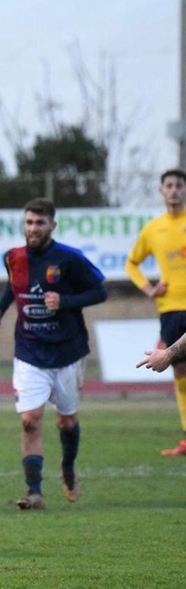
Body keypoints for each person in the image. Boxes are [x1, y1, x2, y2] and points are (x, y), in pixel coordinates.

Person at [0, 198, 107, 510]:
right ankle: (35, 492)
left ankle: (68, 466)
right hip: (29, 349)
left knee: (66, 421)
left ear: (52, 225)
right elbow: (13, 287)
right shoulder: (12, 257)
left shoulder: (69, 258)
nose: (33, 228)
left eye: (40, 223)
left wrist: (65, 301)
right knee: (29, 419)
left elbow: (100, 291)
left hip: (67, 351)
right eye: (29, 222)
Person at [125, 169, 186, 456]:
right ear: (162, 191)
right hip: (170, 309)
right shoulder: (153, 229)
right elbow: (131, 263)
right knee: (180, 373)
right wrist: (149, 290)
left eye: (179, 185)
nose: (174, 190)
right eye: (169, 186)